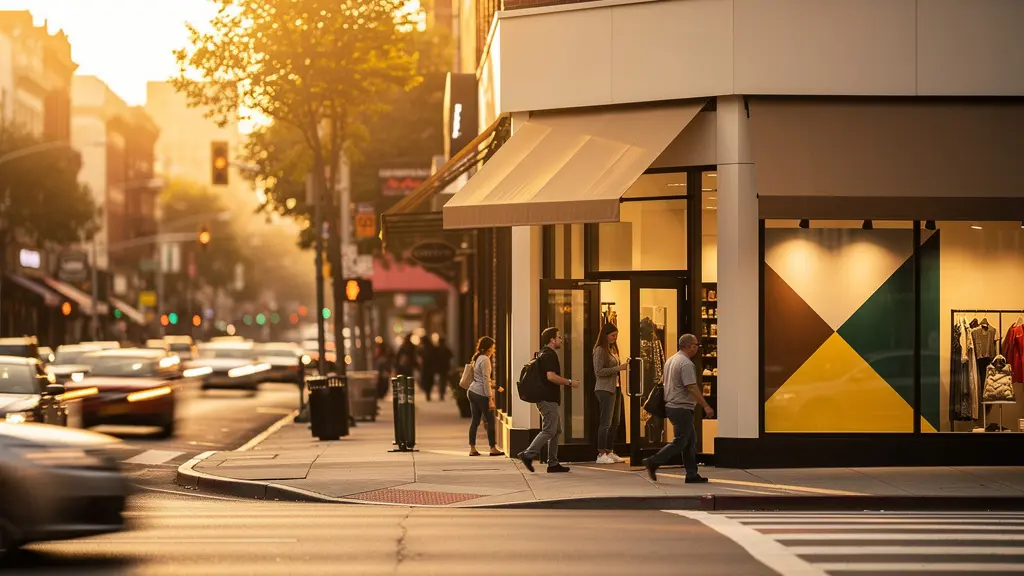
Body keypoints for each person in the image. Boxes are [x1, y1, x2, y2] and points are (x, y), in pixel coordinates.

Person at [644, 334, 714, 483]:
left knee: (689, 441)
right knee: (681, 441)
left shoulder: (671, 360)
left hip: (672, 405)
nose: (697, 348)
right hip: (681, 407)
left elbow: (663, 381)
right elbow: (692, 387)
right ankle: (653, 461)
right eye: (696, 345)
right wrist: (706, 406)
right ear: (690, 346)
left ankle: (691, 474)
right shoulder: (686, 363)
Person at [517, 327, 579, 473]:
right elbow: (551, 376)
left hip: (546, 398)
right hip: (547, 398)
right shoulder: (549, 355)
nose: (561, 340)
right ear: (552, 339)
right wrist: (570, 382)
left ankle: (553, 463)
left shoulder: (541, 353)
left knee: (556, 430)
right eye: (559, 337)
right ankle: (528, 454)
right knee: (549, 430)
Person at [593, 322, 627, 464]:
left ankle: (609, 450)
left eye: (616, 336)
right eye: (613, 335)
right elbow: (599, 371)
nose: (614, 338)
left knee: (615, 422)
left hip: (615, 388)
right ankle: (601, 453)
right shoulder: (600, 350)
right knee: (605, 422)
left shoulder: (612, 349)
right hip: (604, 388)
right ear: (605, 335)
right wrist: (619, 368)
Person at [467, 336, 503, 457]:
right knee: (490, 421)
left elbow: (480, 378)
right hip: (481, 393)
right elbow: (485, 379)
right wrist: (490, 398)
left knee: (475, 420)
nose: (494, 350)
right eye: (493, 347)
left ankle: (472, 448)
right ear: (488, 348)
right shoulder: (486, 360)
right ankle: (493, 448)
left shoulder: (477, 358)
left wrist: (496, 386)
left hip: (472, 391)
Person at [418, 335, 438, 400]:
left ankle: (427, 393)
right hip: (429, 368)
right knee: (428, 381)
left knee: (426, 381)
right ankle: (428, 393)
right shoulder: (431, 347)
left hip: (427, 367)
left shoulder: (426, 348)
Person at [435, 336, 454, 401]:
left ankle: (441, 393)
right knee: (443, 380)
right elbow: (451, 355)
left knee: (441, 380)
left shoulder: (437, 349)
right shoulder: (446, 349)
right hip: (445, 367)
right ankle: (442, 392)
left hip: (440, 367)